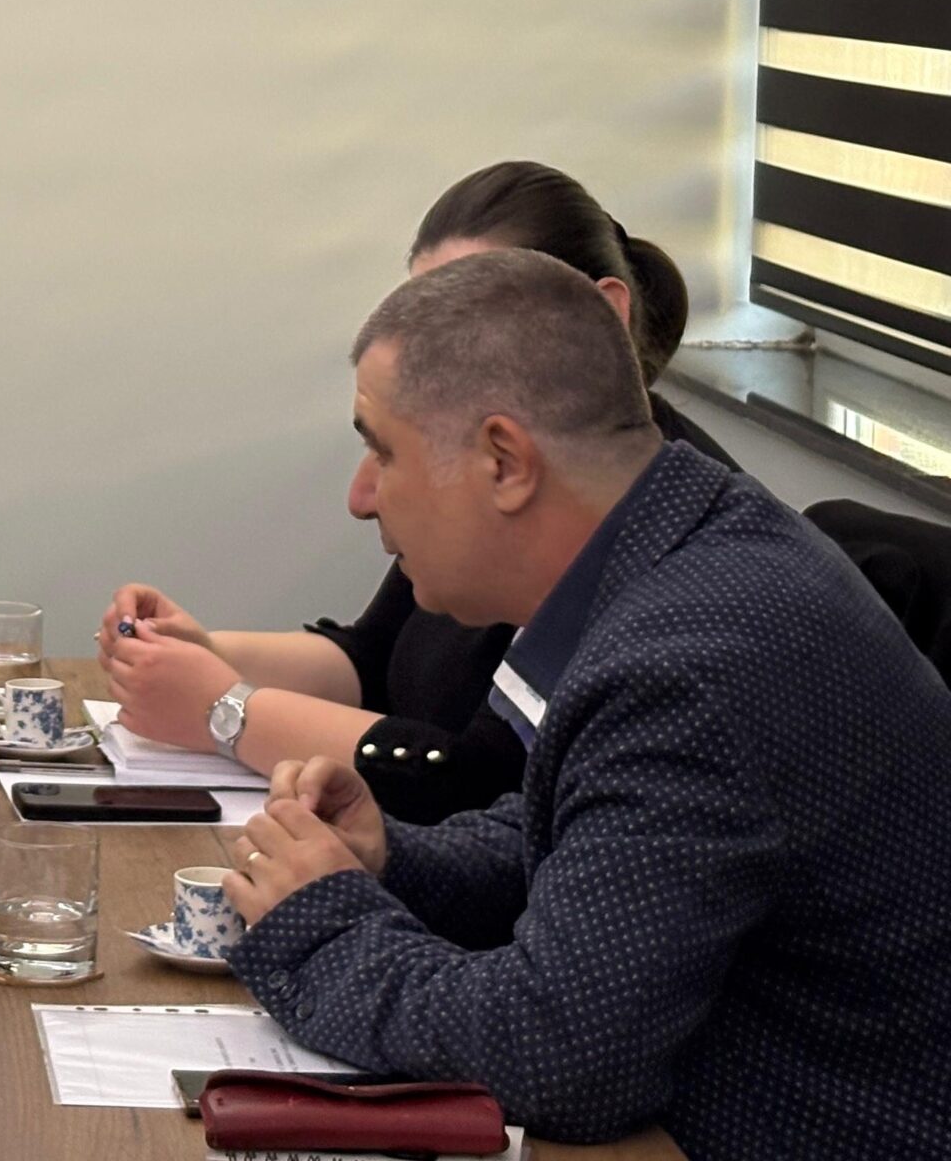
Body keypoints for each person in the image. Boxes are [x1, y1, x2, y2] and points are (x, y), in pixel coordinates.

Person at [222, 249, 951, 1158]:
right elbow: (587, 851)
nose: (360, 497)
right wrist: (392, 861)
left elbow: (558, 1055)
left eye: (382, 450)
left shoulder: (691, 663)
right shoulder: (688, 548)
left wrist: (321, 925)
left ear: (504, 461)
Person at [101, 162, 738, 820]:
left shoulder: (658, 538)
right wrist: (198, 657)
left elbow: (491, 786)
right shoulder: (465, 485)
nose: (363, 498)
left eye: (461, 322)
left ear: (598, 315)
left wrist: (225, 711)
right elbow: (377, 659)